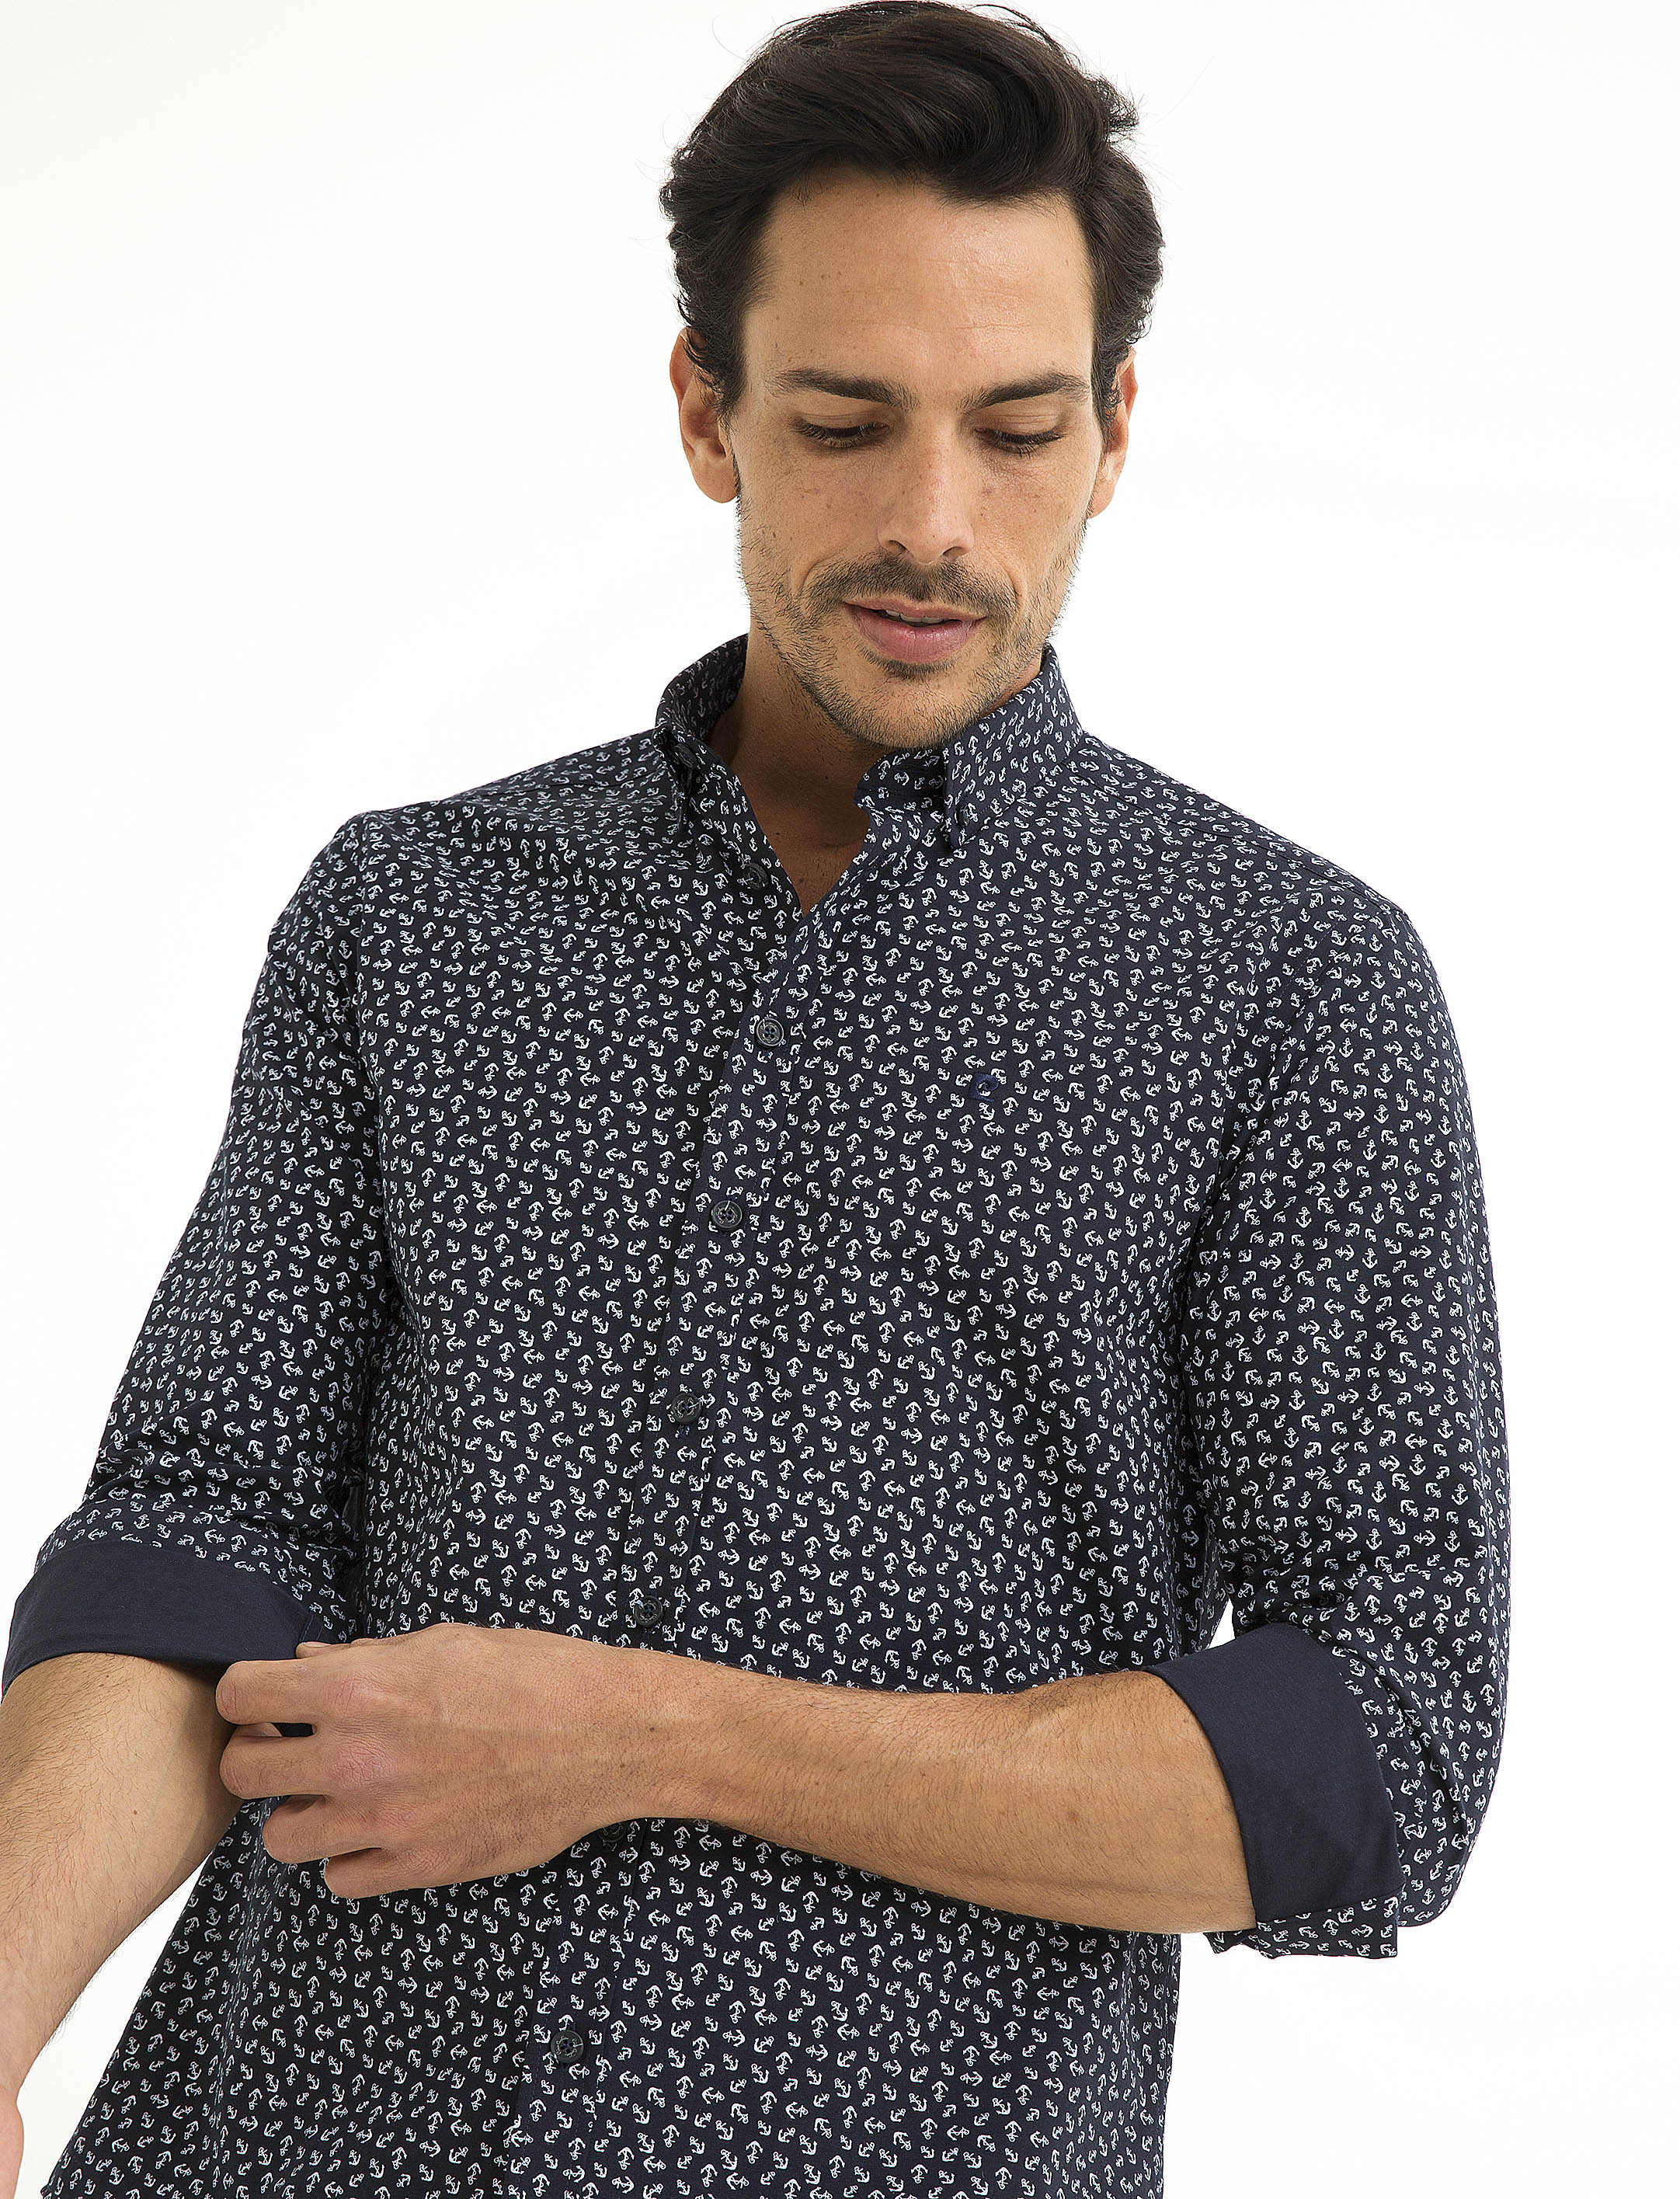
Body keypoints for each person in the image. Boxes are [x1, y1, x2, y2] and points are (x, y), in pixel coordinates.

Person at [0, 5, 1510, 2195]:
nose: (931, 525)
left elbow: (1375, 1764)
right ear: (707, 412)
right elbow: (192, 1548)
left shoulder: (1291, 985)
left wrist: (643, 1739)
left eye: (1014, 429)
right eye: (841, 422)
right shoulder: (414, 913)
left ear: (1113, 431)